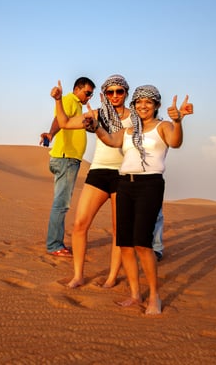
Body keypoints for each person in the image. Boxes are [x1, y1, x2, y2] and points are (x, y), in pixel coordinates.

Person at [91, 85, 193, 315]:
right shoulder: (128, 131)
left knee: (142, 244)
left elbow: (175, 143)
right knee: (125, 243)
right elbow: (109, 140)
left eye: (148, 102)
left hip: (150, 185)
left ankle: (154, 296)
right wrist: (95, 126)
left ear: (156, 105)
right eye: (138, 102)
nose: (143, 105)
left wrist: (179, 121)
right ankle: (135, 295)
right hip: (125, 184)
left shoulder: (163, 126)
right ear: (134, 106)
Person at [51, 75, 131, 288]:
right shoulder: (96, 114)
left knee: (118, 230)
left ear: (126, 93)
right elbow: (65, 123)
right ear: (105, 94)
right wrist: (58, 101)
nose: (115, 96)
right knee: (79, 224)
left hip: (123, 175)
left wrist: (178, 120)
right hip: (98, 172)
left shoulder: (135, 117)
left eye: (119, 91)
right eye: (110, 92)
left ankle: (112, 277)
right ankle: (78, 275)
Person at [39, 77, 95, 257]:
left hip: (66, 158)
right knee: (61, 204)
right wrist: (51, 133)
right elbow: (58, 119)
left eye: (91, 94)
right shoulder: (70, 99)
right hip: (66, 158)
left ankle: (54, 242)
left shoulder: (77, 104)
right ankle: (54, 245)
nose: (88, 97)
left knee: (60, 203)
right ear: (78, 89)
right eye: (87, 93)